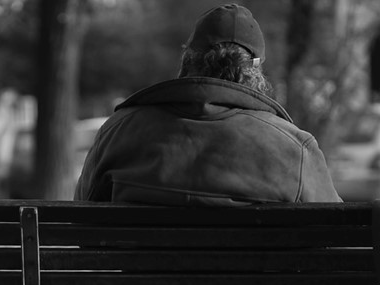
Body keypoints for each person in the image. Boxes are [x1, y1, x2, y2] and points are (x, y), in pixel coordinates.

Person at [74, 3, 342, 205]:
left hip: (136, 281)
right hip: (256, 281)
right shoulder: (295, 149)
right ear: (256, 72)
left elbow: (83, 220)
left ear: (188, 60)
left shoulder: (119, 131)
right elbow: (336, 241)